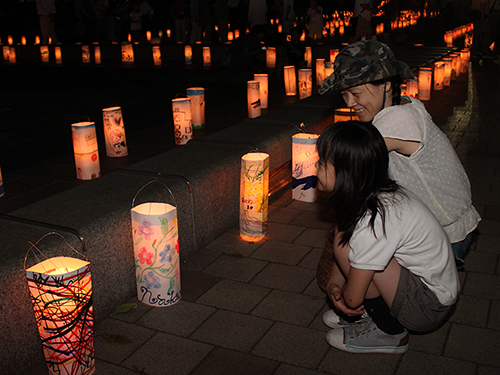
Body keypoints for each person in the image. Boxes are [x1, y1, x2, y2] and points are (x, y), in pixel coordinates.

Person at [319, 40, 481, 271]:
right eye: (344, 95)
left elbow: (345, 168)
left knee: (359, 253)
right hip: (437, 224)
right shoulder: (404, 105)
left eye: (355, 93)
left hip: (445, 234)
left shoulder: (397, 119)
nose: (350, 103)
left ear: (385, 84)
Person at [315, 121, 459, 353]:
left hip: (428, 305)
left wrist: (348, 301)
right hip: (420, 282)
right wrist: (334, 284)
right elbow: (341, 239)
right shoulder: (373, 195)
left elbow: (352, 298)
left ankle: (390, 331)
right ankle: (377, 314)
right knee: (347, 243)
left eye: (322, 162)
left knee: (356, 251)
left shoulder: (373, 219)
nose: (315, 165)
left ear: (346, 175)